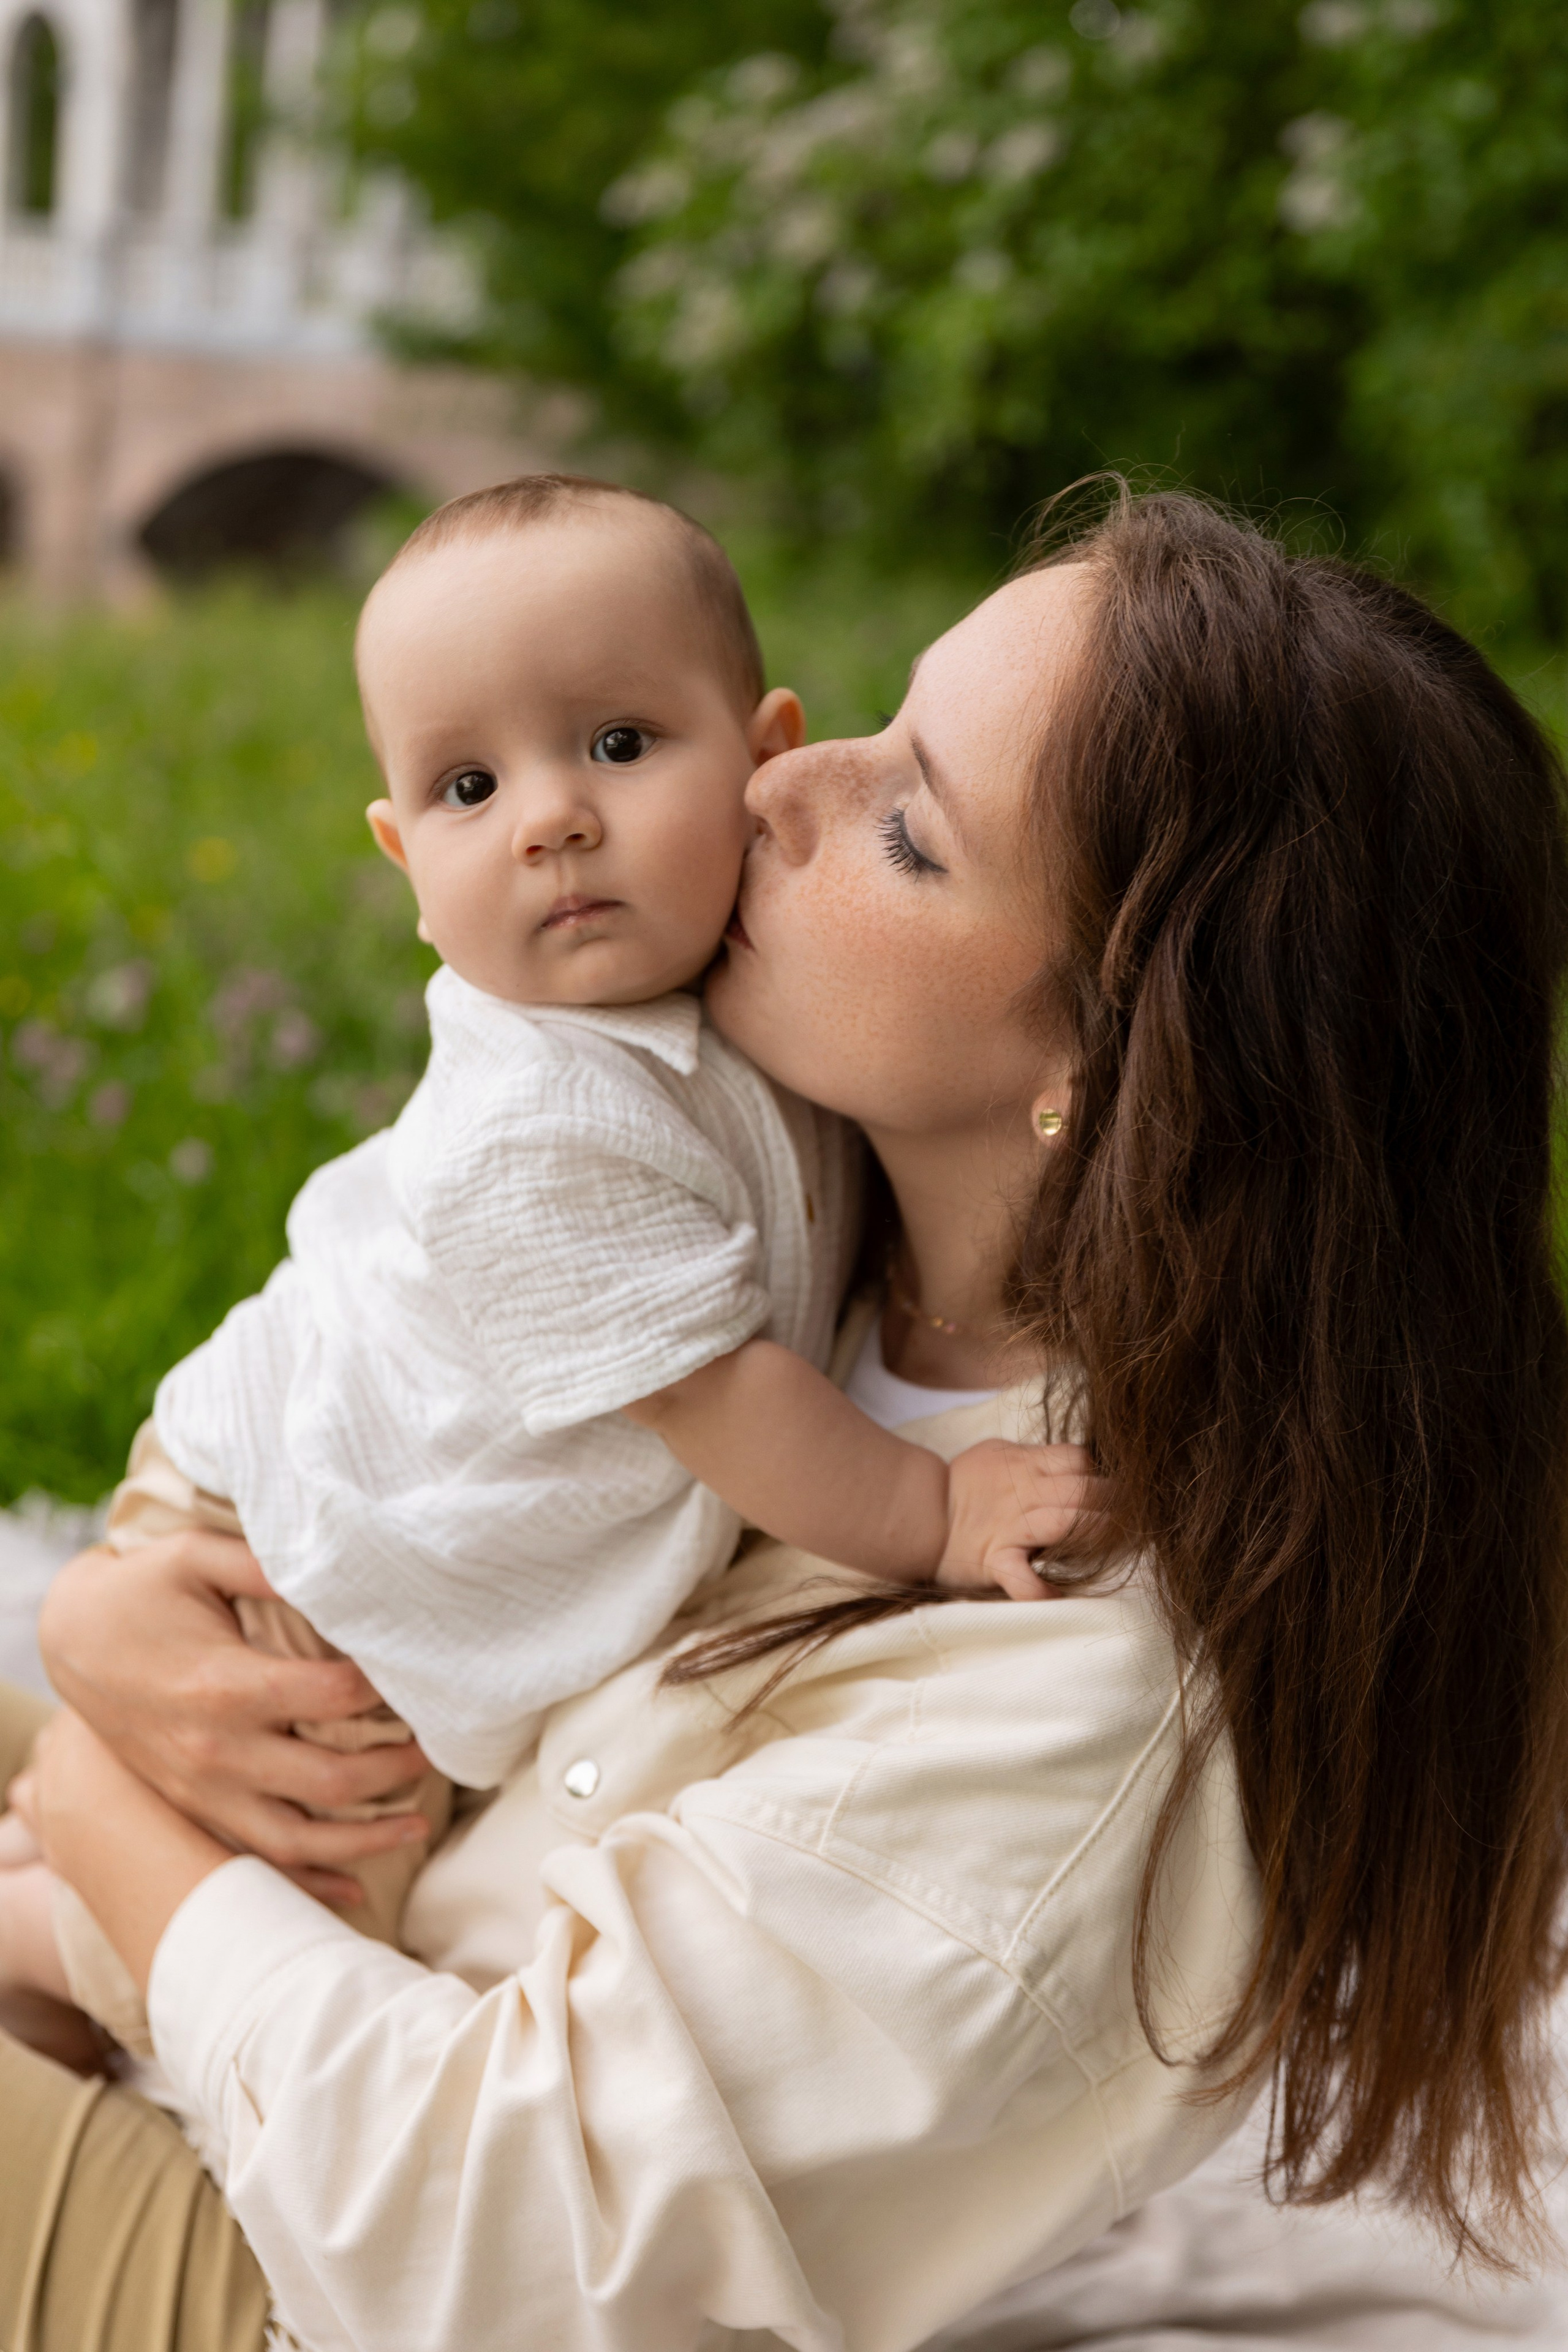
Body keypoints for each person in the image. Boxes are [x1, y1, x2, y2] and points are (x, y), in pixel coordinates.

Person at [3, 488, 1567, 2352]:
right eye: (878, 722)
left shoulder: (1079, 1638)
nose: (774, 785)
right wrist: (120, 1608)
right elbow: (390, 1377)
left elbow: (488, 2244)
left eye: (908, 826)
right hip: (347, 1901)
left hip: (315, 2266)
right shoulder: (805, 1199)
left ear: (1122, 1056)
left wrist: (102, 1819)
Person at [0, 473, 1091, 2056]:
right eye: (465, 788)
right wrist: (934, 1507)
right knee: (321, 1859)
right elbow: (719, 1392)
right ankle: (38, 1925)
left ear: (766, 761)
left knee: (245, 1822)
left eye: (620, 745)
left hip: (383, 1498)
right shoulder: (537, 1118)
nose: (550, 817)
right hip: (322, 1530)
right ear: (400, 859)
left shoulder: (743, 1014)